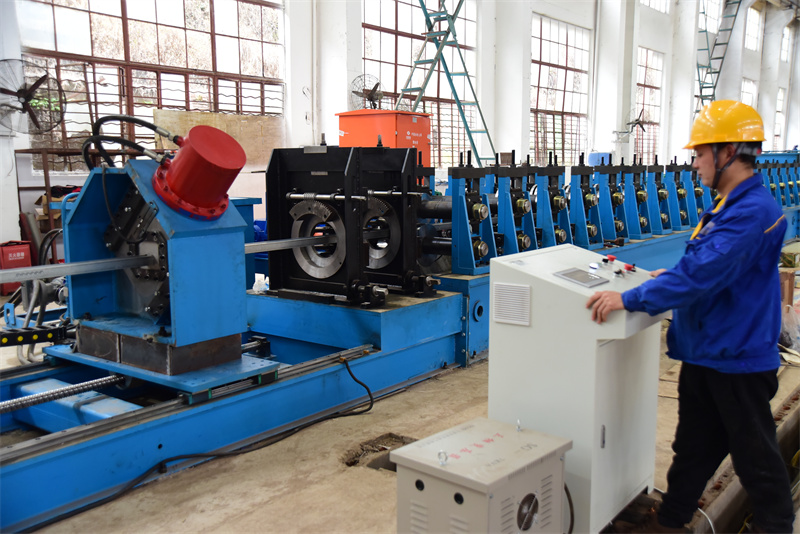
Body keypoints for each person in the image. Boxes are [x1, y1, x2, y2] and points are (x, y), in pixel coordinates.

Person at [586, 100, 795, 533]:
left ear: (729, 152)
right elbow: (707, 267)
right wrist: (670, 276)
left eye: (700, 153)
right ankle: (670, 523)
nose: (695, 163)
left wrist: (630, 298)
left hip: (736, 358)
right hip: (708, 351)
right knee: (693, 448)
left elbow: (702, 275)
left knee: (756, 459)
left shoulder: (751, 213)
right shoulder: (729, 205)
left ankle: (774, 527)